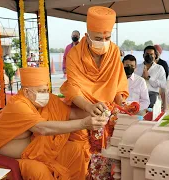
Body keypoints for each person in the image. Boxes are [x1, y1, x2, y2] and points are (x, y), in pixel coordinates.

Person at [0, 67, 108, 179]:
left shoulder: (49, 100)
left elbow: (71, 114)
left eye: (47, 89)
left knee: (74, 150)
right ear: (26, 92)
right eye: (41, 91)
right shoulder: (18, 105)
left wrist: (92, 110)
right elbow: (42, 129)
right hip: (14, 159)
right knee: (39, 171)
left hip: (39, 152)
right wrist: (84, 124)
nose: (46, 94)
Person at [60, 6, 129, 179]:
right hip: (83, 109)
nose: (104, 41)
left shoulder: (113, 51)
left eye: (107, 37)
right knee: (84, 159)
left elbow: (118, 84)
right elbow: (73, 88)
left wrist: (122, 109)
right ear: (87, 35)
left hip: (108, 112)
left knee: (117, 152)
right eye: (98, 38)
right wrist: (90, 107)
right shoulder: (74, 54)